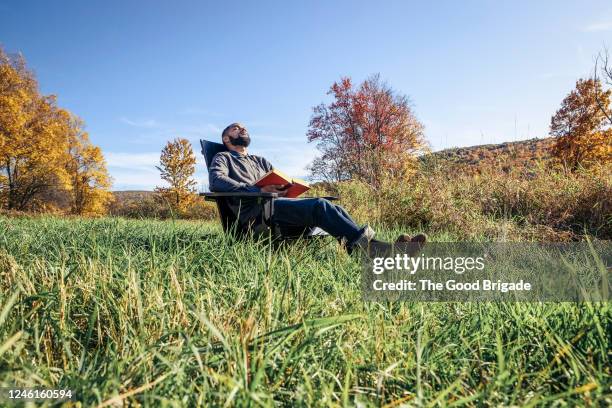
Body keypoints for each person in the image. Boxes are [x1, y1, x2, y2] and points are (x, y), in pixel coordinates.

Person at [208, 122, 426, 255]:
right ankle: (378, 251)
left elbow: (276, 180)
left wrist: (286, 188)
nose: (243, 129)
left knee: (331, 207)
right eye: (236, 128)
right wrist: (257, 192)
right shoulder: (223, 157)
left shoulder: (260, 161)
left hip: (278, 205)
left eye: (244, 127)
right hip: (256, 214)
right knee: (319, 207)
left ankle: (378, 249)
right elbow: (216, 181)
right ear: (226, 138)